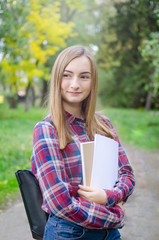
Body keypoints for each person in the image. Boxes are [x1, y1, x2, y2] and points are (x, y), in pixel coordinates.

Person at [31, 45, 135, 240]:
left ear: (93, 81)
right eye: (67, 75)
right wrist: (114, 215)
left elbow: (127, 174)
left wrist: (108, 197)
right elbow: (60, 204)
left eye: (84, 77)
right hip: (69, 233)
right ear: (57, 79)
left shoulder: (103, 124)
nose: (75, 84)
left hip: (110, 235)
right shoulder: (47, 129)